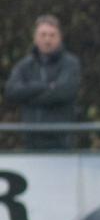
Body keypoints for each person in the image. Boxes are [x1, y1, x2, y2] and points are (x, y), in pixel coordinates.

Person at [4, 14, 81, 149]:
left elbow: (63, 92)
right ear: (35, 38)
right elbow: (11, 91)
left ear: (60, 37)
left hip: (62, 141)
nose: (47, 39)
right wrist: (44, 87)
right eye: (43, 35)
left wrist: (27, 97)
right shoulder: (25, 65)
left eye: (52, 35)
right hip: (31, 140)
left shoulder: (70, 64)